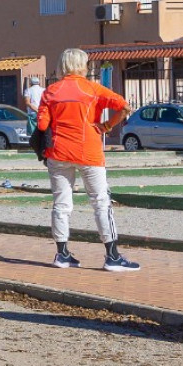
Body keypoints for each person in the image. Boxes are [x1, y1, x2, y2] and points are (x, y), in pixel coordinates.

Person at [35, 48, 140, 272]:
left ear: (62, 65)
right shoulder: (93, 89)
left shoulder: (50, 91)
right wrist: (107, 126)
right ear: (83, 66)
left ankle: (62, 254)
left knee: (61, 204)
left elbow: (42, 125)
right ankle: (112, 256)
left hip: (59, 152)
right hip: (89, 151)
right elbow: (124, 107)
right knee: (101, 202)